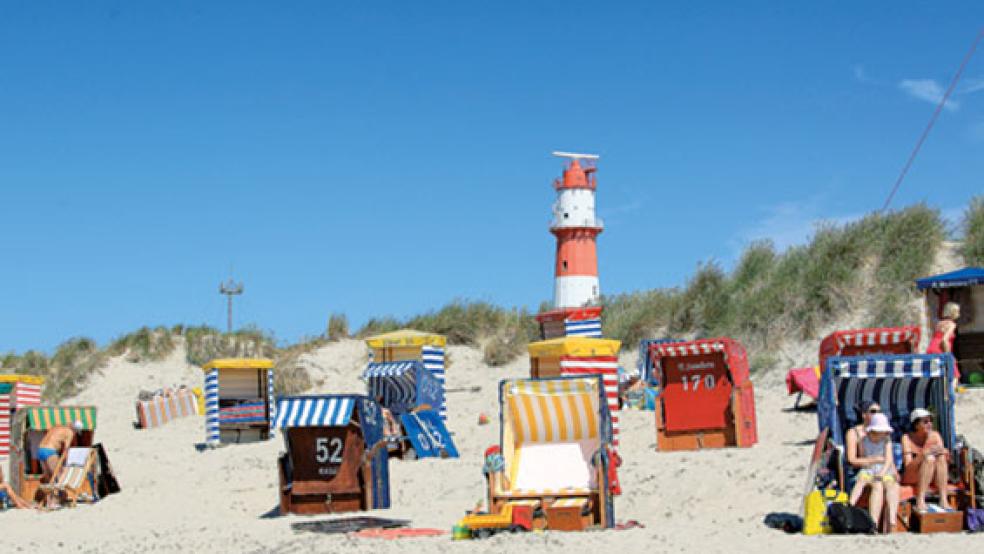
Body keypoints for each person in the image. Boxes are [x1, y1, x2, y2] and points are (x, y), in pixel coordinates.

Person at [848, 413, 900, 533]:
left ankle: (892, 520)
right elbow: (862, 457)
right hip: (869, 468)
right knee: (862, 480)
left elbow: (888, 460)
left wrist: (882, 473)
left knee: (891, 486)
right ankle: (852, 505)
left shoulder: (887, 440)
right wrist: (874, 461)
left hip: (884, 469)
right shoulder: (863, 440)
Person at [901, 408, 952, 512]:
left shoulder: (935, 436)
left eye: (930, 421)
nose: (929, 424)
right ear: (916, 425)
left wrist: (944, 452)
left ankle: (943, 498)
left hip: (932, 473)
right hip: (912, 474)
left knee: (940, 457)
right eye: (925, 422)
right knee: (928, 459)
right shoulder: (907, 438)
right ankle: (920, 499)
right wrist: (922, 455)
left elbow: (946, 460)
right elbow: (908, 466)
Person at [927, 301, 961, 382]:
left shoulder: (939, 323)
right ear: (953, 313)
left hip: (931, 349)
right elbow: (944, 340)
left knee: (937, 375)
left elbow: (936, 338)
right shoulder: (952, 324)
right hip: (940, 349)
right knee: (954, 374)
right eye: (957, 311)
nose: (959, 314)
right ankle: (951, 394)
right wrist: (948, 355)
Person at [845, 400, 881, 472]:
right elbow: (851, 460)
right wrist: (875, 460)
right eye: (873, 412)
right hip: (863, 471)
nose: (877, 415)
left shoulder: (882, 431)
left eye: (879, 412)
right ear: (864, 414)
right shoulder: (853, 433)